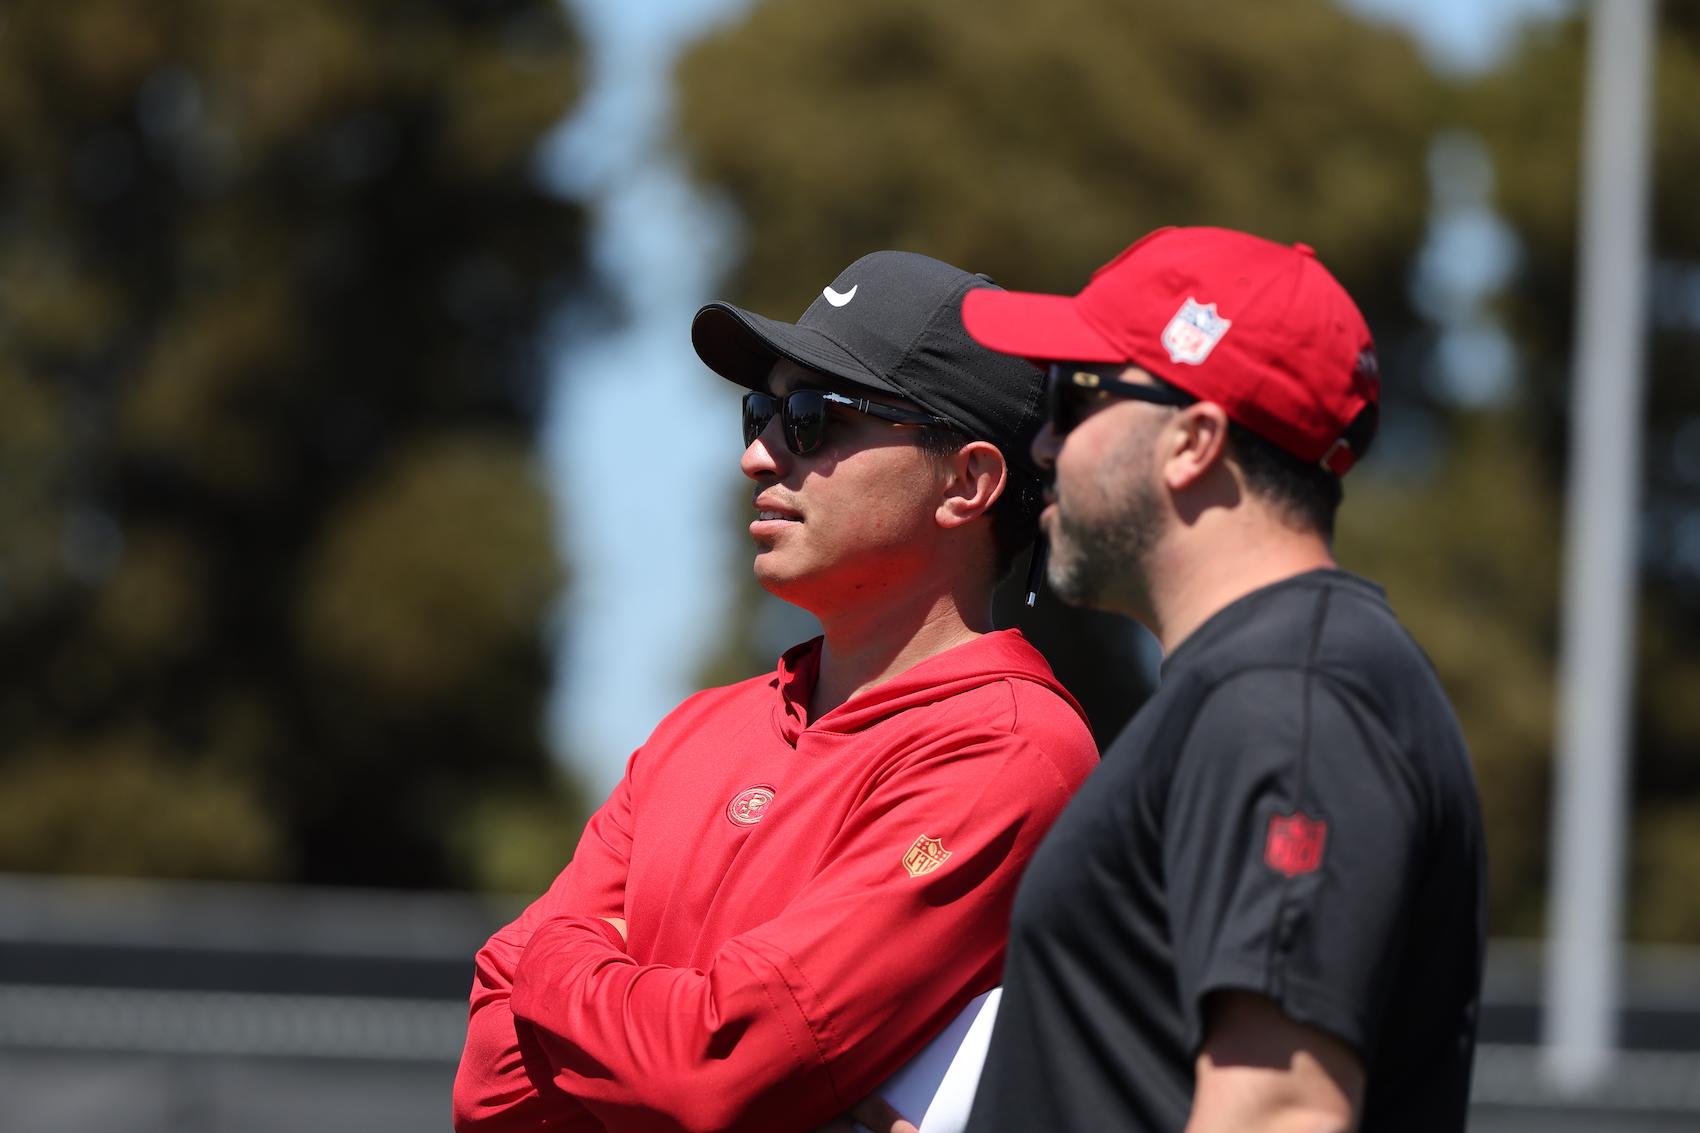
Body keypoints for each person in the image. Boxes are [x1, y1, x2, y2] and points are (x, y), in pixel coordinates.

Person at [452, 250, 1099, 1133]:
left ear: (969, 481)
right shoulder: (698, 729)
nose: (759, 454)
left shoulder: (1009, 749)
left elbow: (715, 1075)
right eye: (759, 411)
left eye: (812, 418)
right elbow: (488, 1088)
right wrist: (666, 1030)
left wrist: (551, 961)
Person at [956, 226, 1487, 1133]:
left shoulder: (1294, 691)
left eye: (1071, 399)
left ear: (1192, 440)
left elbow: (1280, 1109)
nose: (1041, 444)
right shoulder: (1266, 682)